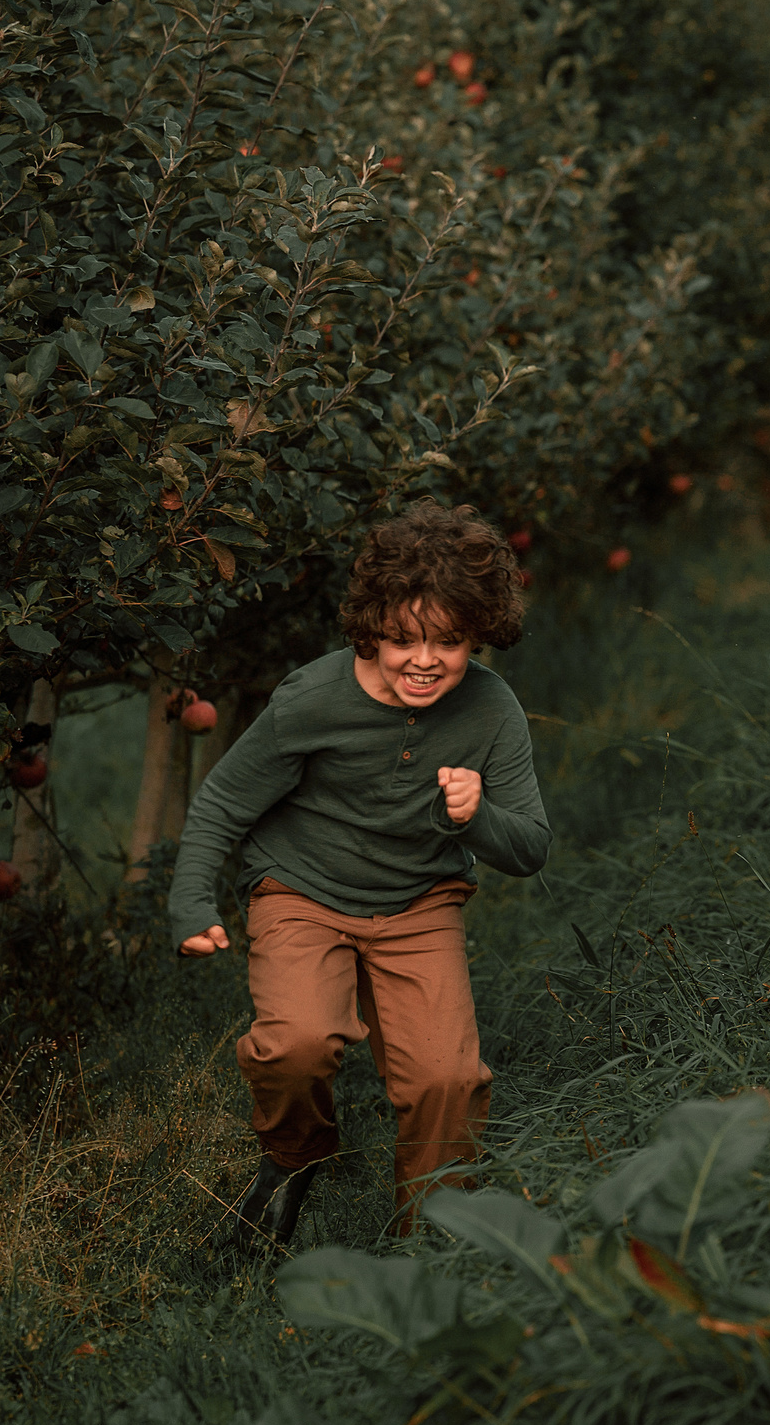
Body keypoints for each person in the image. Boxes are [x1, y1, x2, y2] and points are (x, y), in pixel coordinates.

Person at [168, 500, 551, 1246]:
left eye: (450, 640)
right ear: (370, 625)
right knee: (297, 1043)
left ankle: (435, 1238)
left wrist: (476, 817)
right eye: (404, 638)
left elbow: (531, 846)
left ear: (480, 632)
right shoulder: (311, 701)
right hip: (301, 891)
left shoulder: (491, 709)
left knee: (447, 1079)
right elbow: (221, 802)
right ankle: (294, 1158)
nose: (425, 659)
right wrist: (190, 903)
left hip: (418, 900)